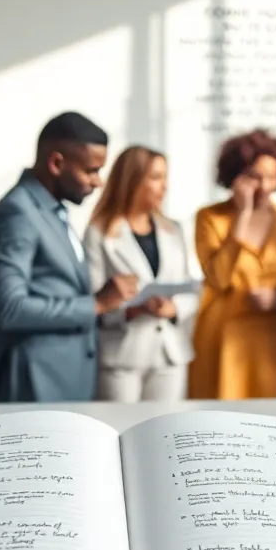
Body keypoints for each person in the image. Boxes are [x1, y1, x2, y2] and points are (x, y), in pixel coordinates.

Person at [0, 112, 139, 403]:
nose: (98, 182)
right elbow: (9, 309)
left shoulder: (51, 209)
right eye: (91, 171)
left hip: (62, 380)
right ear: (57, 163)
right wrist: (97, 304)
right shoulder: (17, 213)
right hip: (31, 383)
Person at [187, 128, 276, 399]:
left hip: (271, 335)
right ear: (234, 176)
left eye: (272, 178)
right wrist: (242, 215)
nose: (264, 187)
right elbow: (217, 278)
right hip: (222, 336)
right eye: (254, 177)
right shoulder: (209, 218)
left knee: (273, 417)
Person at [83, 145, 198, 402]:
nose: (164, 186)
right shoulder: (99, 232)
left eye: (165, 178)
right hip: (123, 355)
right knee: (121, 430)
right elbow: (93, 302)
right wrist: (134, 309)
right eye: (156, 178)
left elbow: (189, 290)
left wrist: (173, 308)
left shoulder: (174, 230)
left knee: (167, 433)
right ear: (132, 181)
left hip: (170, 353)